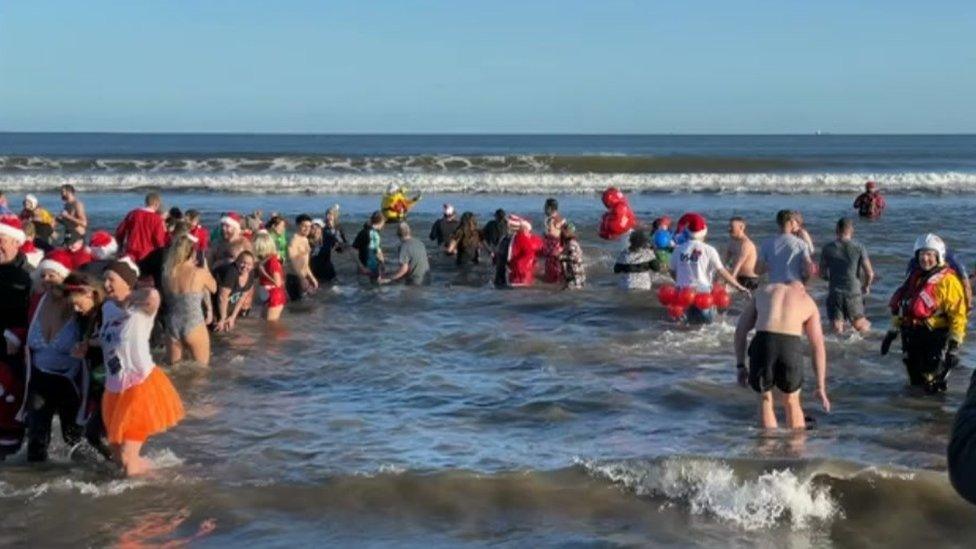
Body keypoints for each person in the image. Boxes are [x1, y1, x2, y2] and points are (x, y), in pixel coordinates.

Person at [97, 258, 184, 476]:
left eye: (111, 279)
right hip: (115, 388)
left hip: (141, 387)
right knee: (116, 454)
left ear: (127, 282)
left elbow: (153, 296)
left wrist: (129, 298)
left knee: (127, 455)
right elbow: (111, 340)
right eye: (104, 279)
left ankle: (134, 502)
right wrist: (86, 344)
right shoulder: (107, 308)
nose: (106, 284)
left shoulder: (141, 310)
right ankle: (158, 476)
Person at [734, 281, 830, 430]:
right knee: (792, 400)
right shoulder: (808, 301)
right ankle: (796, 448)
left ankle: (768, 445)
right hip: (790, 345)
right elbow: (817, 346)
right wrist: (820, 386)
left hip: (763, 342)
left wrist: (740, 365)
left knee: (764, 398)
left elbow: (740, 330)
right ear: (802, 288)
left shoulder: (764, 291)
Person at [881, 234, 968, 393]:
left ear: (938, 256)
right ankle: (916, 414)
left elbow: (958, 316)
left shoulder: (948, 281)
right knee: (914, 384)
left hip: (934, 337)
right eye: (922, 254)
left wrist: (954, 347)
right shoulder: (914, 278)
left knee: (932, 386)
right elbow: (903, 307)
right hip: (912, 336)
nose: (925, 258)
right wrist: (891, 332)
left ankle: (934, 414)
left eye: (929, 254)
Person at [22, 249, 85, 462]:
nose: (47, 280)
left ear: (65, 277)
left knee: (75, 442)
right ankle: (35, 487)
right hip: (39, 379)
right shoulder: (35, 302)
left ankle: (83, 486)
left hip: (70, 383)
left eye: (53, 275)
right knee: (36, 442)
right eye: (44, 275)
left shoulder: (78, 307)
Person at [62, 272, 113, 460]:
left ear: (90, 294)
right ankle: (113, 470)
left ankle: (122, 471)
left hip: (112, 383)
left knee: (96, 434)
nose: (75, 309)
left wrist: (88, 345)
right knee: (95, 435)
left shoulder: (107, 310)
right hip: (98, 382)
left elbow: (114, 339)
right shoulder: (86, 316)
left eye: (78, 303)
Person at [669, 213, 751, 323]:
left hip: (682, 293)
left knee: (686, 326)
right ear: (704, 232)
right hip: (702, 293)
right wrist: (739, 286)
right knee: (707, 326)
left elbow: (672, 271)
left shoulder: (678, 249)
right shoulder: (709, 250)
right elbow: (722, 271)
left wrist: (679, 282)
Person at [0, 216, 31, 459]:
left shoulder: (29, 276)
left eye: (1, 240)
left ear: (16, 243)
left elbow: (38, 315)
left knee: (11, 406)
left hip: (15, 352)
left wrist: (17, 335)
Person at [161, 234, 216, 366]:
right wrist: (206, 268)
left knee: (174, 371)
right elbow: (213, 288)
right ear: (192, 253)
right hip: (194, 323)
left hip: (172, 324)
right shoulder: (199, 272)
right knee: (201, 370)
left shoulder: (166, 274)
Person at [819, 218, 874, 335]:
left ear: (836, 230)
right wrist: (866, 286)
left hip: (835, 292)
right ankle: (869, 343)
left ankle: (840, 350)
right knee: (860, 324)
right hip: (853, 291)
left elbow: (822, 273)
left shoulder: (827, 248)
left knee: (836, 328)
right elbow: (870, 273)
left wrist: (831, 279)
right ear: (851, 230)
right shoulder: (859, 247)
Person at [757, 210, 815, 284]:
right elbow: (809, 266)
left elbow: (757, 270)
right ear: (791, 222)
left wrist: (769, 266)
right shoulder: (800, 243)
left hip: (776, 284)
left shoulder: (766, 243)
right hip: (795, 281)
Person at [115, 192, 167, 262]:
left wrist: (120, 246)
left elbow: (120, 231)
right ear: (156, 204)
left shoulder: (133, 214)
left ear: (146, 202)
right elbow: (159, 240)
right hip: (147, 254)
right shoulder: (157, 219)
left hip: (131, 251)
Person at [212, 251, 256, 332]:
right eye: (243, 262)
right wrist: (222, 318)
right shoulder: (231, 272)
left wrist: (233, 317)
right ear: (236, 262)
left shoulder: (251, 274)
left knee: (228, 326)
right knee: (217, 327)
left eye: (249, 264)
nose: (245, 266)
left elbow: (242, 298)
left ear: (253, 266)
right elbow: (222, 297)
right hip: (213, 298)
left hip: (227, 300)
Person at [253, 231, 286, 321]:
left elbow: (278, 283)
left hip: (274, 296)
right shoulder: (264, 260)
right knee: (264, 322)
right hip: (267, 295)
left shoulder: (272, 261)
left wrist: (263, 273)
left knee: (271, 325)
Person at [311, 205, 348, 284]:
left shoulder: (338, 228)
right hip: (316, 257)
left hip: (325, 258)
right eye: (327, 214)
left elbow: (342, 247)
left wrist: (337, 243)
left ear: (335, 216)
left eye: (330, 214)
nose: (328, 216)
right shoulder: (321, 226)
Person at [286, 214, 318, 301]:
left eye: (309, 226)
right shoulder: (293, 240)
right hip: (294, 277)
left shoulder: (305, 239)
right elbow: (293, 262)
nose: (307, 229)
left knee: (304, 305)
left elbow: (305, 263)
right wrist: (302, 279)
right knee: (296, 306)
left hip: (302, 277)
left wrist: (311, 277)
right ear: (297, 225)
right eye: (304, 226)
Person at [507, 216, 543, 287]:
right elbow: (531, 253)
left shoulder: (518, 238)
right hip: (521, 272)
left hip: (519, 272)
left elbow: (530, 253)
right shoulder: (521, 238)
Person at [725, 216, 759, 291]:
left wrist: (729, 282)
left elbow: (738, 264)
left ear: (741, 227)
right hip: (737, 278)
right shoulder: (731, 243)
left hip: (749, 280)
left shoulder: (746, 244)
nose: (729, 229)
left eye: (732, 227)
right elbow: (726, 264)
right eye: (729, 226)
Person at [352, 211, 386, 281]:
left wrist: (360, 266)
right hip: (368, 267)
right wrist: (383, 265)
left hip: (367, 266)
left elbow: (353, 249)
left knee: (364, 289)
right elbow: (353, 250)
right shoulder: (371, 233)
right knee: (373, 289)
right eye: (383, 223)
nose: (383, 226)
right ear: (381, 222)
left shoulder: (364, 232)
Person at [559, 223, 585, 290]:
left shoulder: (571, 243)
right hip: (575, 274)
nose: (561, 234)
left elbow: (575, 258)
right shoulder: (570, 243)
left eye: (562, 232)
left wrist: (560, 257)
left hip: (575, 275)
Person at [541, 212, 564, 284]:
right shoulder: (547, 237)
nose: (548, 228)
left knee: (556, 274)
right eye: (548, 226)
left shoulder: (559, 240)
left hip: (555, 259)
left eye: (550, 226)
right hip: (550, 261)